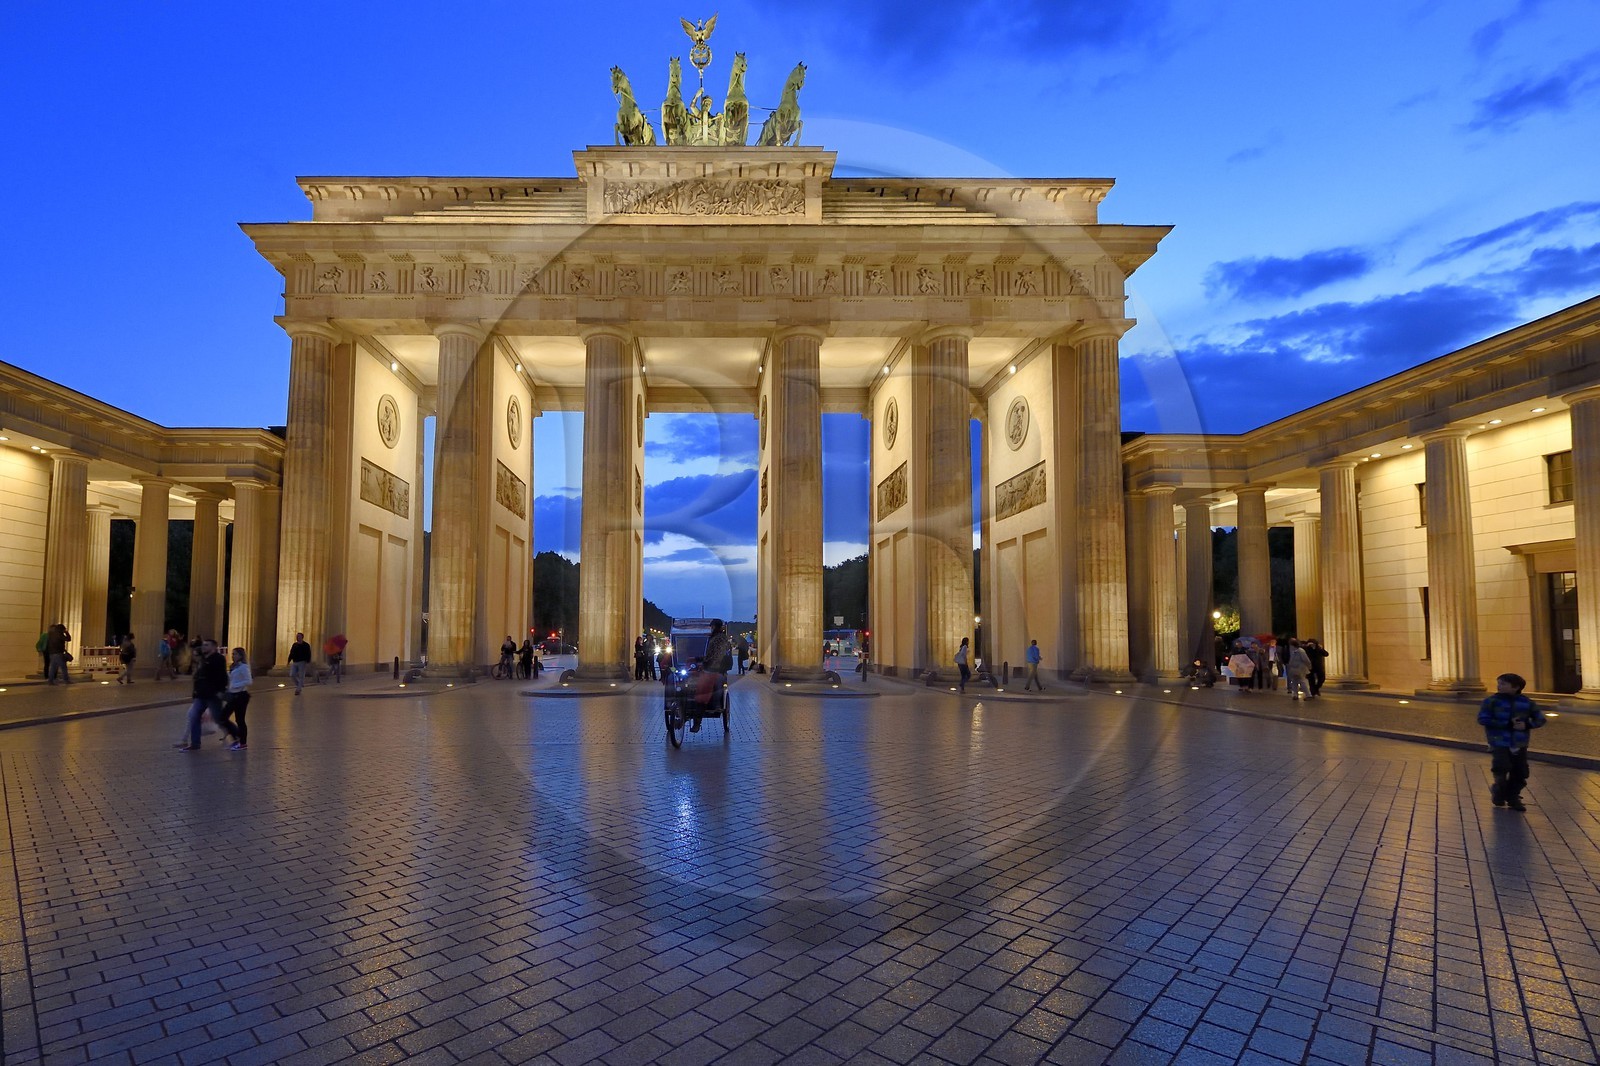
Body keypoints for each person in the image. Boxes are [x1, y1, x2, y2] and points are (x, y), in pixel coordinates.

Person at [1478, 672, 1545, 812]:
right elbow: (1483, 719)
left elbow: (1540, 719)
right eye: (1499, 683)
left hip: (1519, 742)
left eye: (1503, 684)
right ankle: (1499, 791)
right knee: (1501, 767)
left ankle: (1513, 797)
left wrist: (1527, 725)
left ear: (1515, 687)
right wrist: (1506, 723)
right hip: (1499, 741)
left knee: (1520, 772)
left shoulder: (1526, 702)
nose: (1499, 686)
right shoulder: (1491, 701)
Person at [176, 639, 229, 751]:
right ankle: (194, 743)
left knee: (219, 718)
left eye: (206, 645)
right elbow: (199, 680)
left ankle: (236, 734)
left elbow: (222, 676)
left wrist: (220, 690)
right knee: (193, 716)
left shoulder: (217, 659)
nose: (204, 647)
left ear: (214, 647)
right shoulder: (203, 661)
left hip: (212, 694)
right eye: (203, 645)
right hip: (201, 694)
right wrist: (195, 693)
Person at [690, 619, 733, 732]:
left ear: (714, 627)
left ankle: (697, 722)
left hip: (714, 670)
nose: (711, 628)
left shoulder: (718, 640)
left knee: (703, 693)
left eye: (712, 627)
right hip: (716, 669)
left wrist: (698, 659)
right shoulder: (721, 638)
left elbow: (713, 657)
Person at [216, 646, 252, 750]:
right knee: (223, 717)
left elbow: (249, 681)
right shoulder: (233, 666)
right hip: (233, 695)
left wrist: (235, 685)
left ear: (240, 655)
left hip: (241, 695)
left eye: (235, 654)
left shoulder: (244, 667)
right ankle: (236, 735)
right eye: (232, 654)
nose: (233, 656)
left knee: (240, 720)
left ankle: (243, 743)